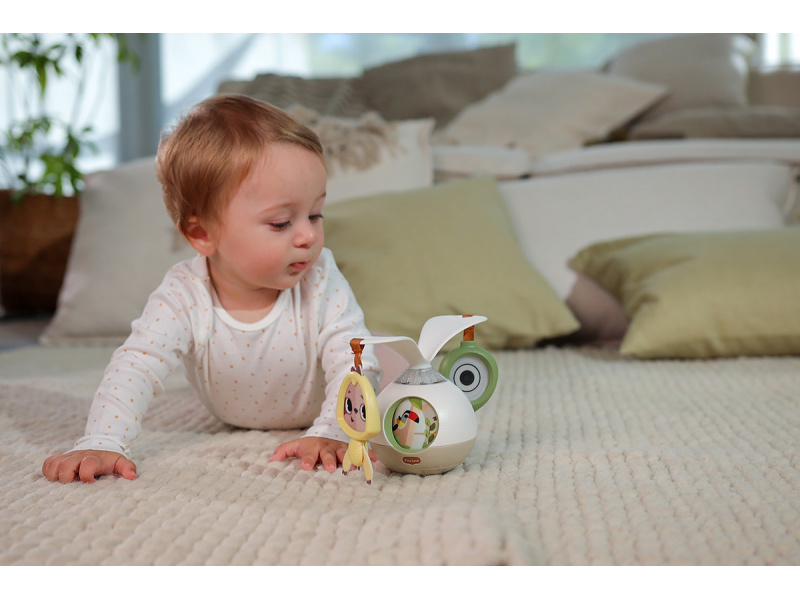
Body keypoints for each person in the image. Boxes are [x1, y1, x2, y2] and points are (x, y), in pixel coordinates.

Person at [41, 95, 381, 484]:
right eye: (281, 222)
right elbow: (136, 365)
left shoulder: (319, 277)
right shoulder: (185, 294)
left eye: (315, 214)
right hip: (232, 415)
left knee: (394, 386)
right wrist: (102, 440)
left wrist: (335, 430)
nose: (308, 235)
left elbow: (354, 360)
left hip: (326, 407)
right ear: (202, 233)